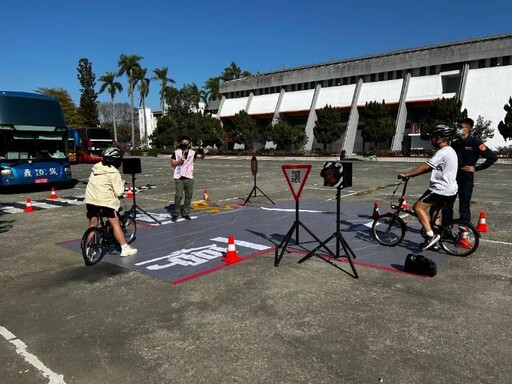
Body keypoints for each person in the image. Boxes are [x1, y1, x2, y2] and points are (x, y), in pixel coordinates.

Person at [398, 125, 458, 250]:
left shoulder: (442, 152)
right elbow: (431, 167)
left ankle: (430, 236)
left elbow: (425, 166)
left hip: (440, 189)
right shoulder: (451, 150)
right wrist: (413, 175)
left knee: (417, 207)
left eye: (433, 138)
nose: (431, 140)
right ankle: (434, 242)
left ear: (439, 138)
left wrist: (407, 174)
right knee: (434, 213)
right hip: (451, 190)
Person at [84, 147, 138, 257]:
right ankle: (125, 248)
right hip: (106, 202)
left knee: (93, 224)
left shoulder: (96, 168)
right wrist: (122, 183)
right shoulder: (114, 173)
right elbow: (119, 192)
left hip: (91, 200)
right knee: (115, 225)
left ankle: (89, 248)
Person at [443, 117, 497, 223]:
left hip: (466, 177)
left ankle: (464, 230)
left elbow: (492, 157)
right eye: (457, 126)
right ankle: (446, 229)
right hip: (452, 176)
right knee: (447, 204)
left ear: (468, 129)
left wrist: (476, 168)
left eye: (460, 127)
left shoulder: (475, 143)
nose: (458, 129)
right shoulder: (455, 143)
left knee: (464, 205)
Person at [170, 136, 208, 221]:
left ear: (189, 144)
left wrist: (204, 153)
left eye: (186, 143)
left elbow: (201, 157)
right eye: (183, 143)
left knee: (188, 196)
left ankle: (186, 213)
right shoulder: (176, 152)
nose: (184, 144)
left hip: (189, 177)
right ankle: (175, 213)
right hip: (179, 177)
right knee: (178, 196)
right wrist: (179, 161)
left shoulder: (192, 152)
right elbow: (172, 163)